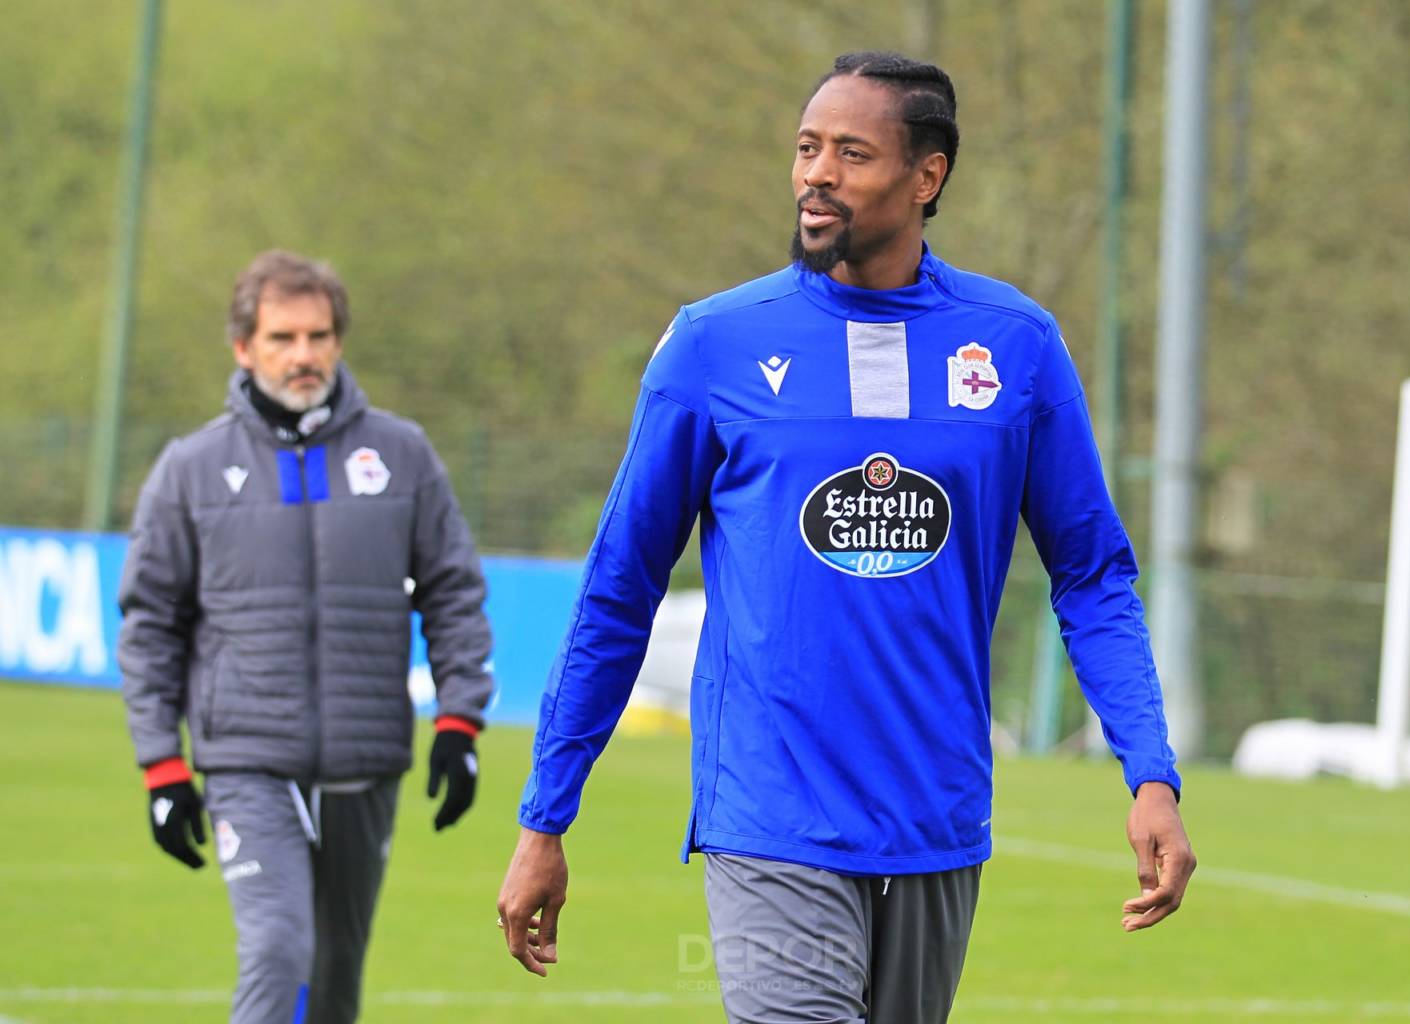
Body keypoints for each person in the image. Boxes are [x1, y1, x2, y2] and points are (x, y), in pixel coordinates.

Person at [496, 51, 1195, 1022]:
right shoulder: (715, 345)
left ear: (926, 177)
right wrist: (545, 812)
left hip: (935, 821)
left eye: (850, 153)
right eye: (805, 148)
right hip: (770, 814)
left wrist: (1149, 771)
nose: (816, 173)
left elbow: (1092, 576)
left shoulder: (1015, 346)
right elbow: (620, 586)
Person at [119, 250, 494, 1024]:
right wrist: (161, 765)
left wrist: (459, 724)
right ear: (243, 347)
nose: (304, 355)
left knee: (332, 984)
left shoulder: (402, 456)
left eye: (319, 336)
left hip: (366, 764)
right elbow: (150, 625)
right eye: (283, 337)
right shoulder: (189, 470)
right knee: (278, 950)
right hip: (246, 763)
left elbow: (453, 593)